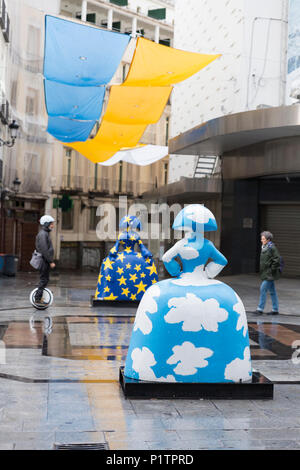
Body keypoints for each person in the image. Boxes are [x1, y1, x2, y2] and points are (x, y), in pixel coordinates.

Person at [255, 231, 280, 315]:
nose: (261, 240)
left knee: (263, 289)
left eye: (263, 239)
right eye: (261, 238)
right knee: (272, 291)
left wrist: (271, 270)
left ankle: (260, 309)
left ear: (268, 239)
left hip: (269, 274)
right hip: (266, 273)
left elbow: (277, 260)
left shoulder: (271, 247)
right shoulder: (264, 246)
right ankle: (275, 309)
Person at [35, 215, 55, 306]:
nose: (53, 225)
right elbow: (44, 249)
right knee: (44, 279)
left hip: (45, 260)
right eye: (51, 224)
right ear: (46, 224)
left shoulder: (45, 233)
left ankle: (39, 298)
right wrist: (50, 261)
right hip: (44, 261)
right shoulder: (43, 234)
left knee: (45, 279)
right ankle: (38, 299)